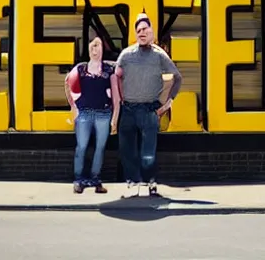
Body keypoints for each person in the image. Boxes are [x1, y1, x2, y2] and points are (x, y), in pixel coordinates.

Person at [115, 13, 183, 198]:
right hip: (128, 109)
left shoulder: (159, 55)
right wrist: (118, 102)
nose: (142, 32)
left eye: (145, 29)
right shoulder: (126, 55)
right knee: (127, 149)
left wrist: (168, 103)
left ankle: (150, 183)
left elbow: (177, 77)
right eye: (138, 30)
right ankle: (133, 184)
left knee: (148, 152)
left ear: (151, 31)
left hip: (149, 110)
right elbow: (116, 78)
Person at [65, 37, 120, 194]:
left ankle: (96, 179)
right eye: (92, 47)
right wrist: (73, 106)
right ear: (88, 50)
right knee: (81, 147)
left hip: (104, 114)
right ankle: (79, 180)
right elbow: (67, 83)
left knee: (100, 148)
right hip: (84, 114)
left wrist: (115, 119)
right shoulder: (81, 69)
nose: (95, 51)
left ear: (103, 49)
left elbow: (116, 97)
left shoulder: (109, 70)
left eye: (98, 47)